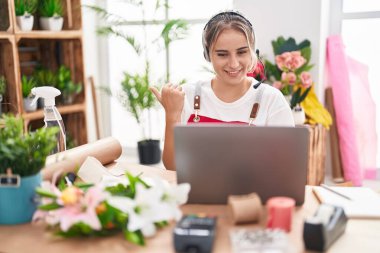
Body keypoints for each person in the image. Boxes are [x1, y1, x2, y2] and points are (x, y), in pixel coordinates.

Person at [151, 11, 294, 171]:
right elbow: (172, 167)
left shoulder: (272, 100)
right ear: (208, 55)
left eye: (242, 52)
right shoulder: (187, 96)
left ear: (252, 52)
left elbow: (284, 169)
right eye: (222, 54)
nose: (233, 64)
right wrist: (172, 114)